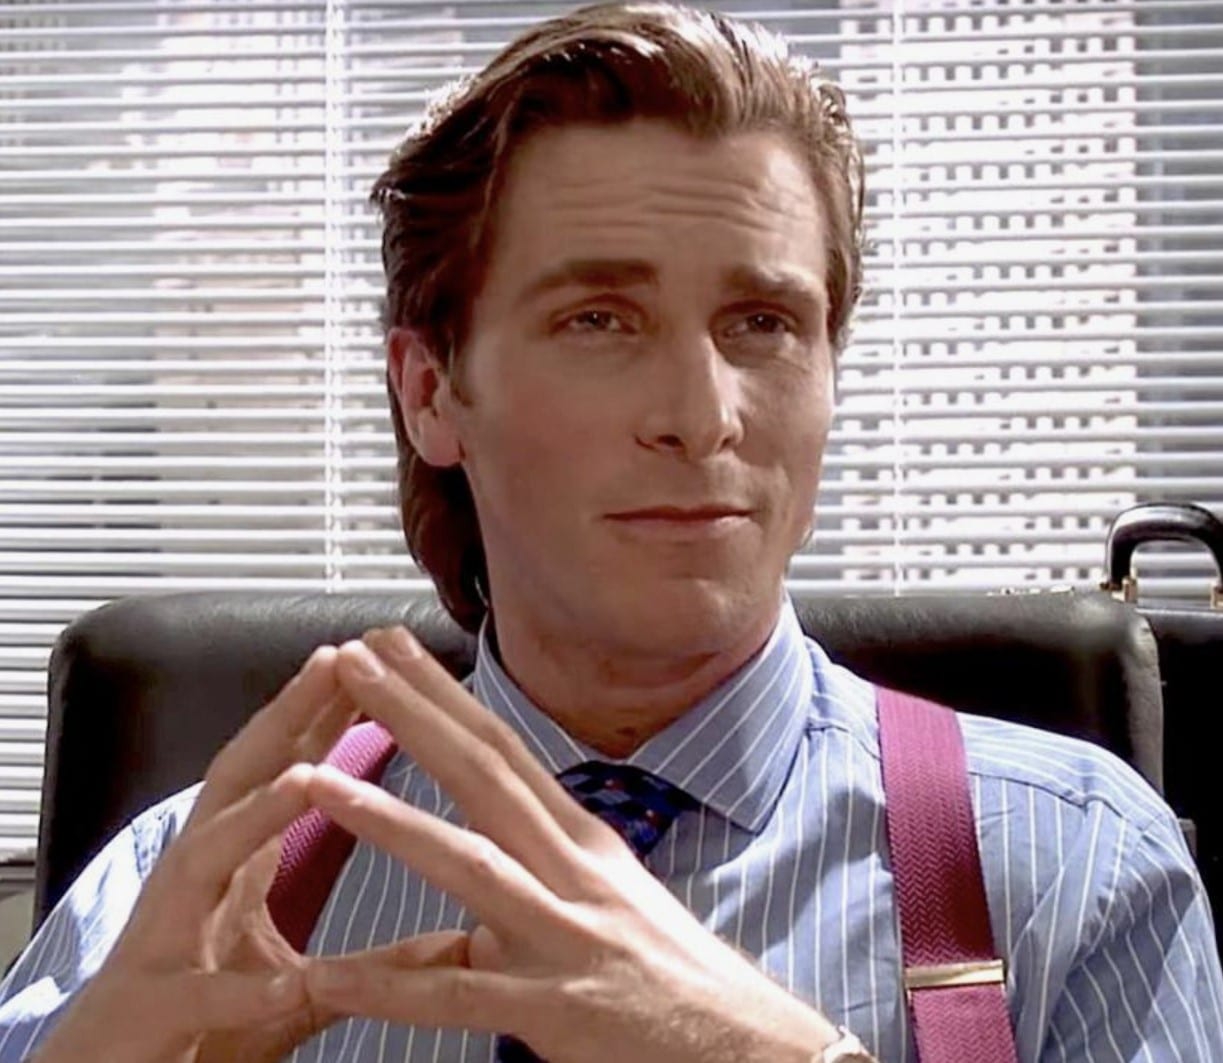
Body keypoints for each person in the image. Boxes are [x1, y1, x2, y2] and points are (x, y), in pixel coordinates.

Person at [1, 3, 1220, 1061]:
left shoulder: (1077, 869)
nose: (700, 415)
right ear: (430, 392)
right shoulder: (192, 892)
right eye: (598, 319)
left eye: (761, 323)